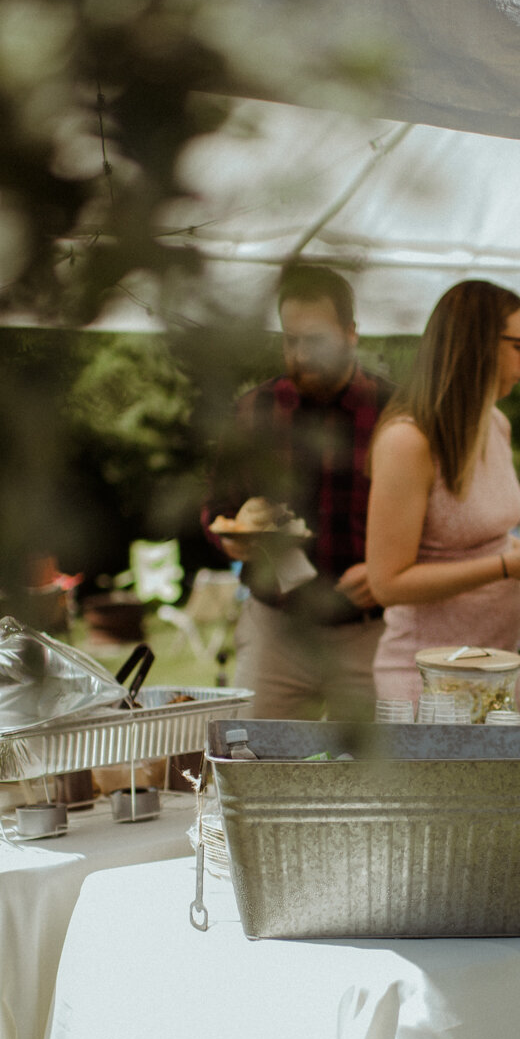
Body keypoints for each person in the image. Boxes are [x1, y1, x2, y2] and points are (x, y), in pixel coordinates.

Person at [366, 281, 520, 703]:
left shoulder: (496, 424)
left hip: (498, 669)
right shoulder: (408, 440)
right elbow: (387, 583)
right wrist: (508, 565)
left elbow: (480, 541)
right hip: (428, 682)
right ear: (478, 345)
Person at [204, 265, 391, 720]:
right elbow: (217, 507)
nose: (302, 355)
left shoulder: (395, 412)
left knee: (375, 777)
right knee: (252, 763)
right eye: (291, 340)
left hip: (372, 632)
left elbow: (433, 523)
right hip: (276, 627)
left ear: (351, 334)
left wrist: (387, 569)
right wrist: (229, 540)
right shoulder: (252, 412)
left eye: (317, 340)